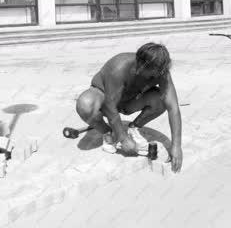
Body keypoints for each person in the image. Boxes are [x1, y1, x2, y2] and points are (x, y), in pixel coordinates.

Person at [75, 42, 183, 173]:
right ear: (139, 62)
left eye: (154, 73)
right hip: (104, 96)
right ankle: (108, 132)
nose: (153, 76)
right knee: (85, 105)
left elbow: (173, 107)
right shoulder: (119, 66)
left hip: (130, 100)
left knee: (161, 100)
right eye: (142, 68)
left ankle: (134, 128)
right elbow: (110, 105)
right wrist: (122, 138)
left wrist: (176, 145)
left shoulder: (161, 72)